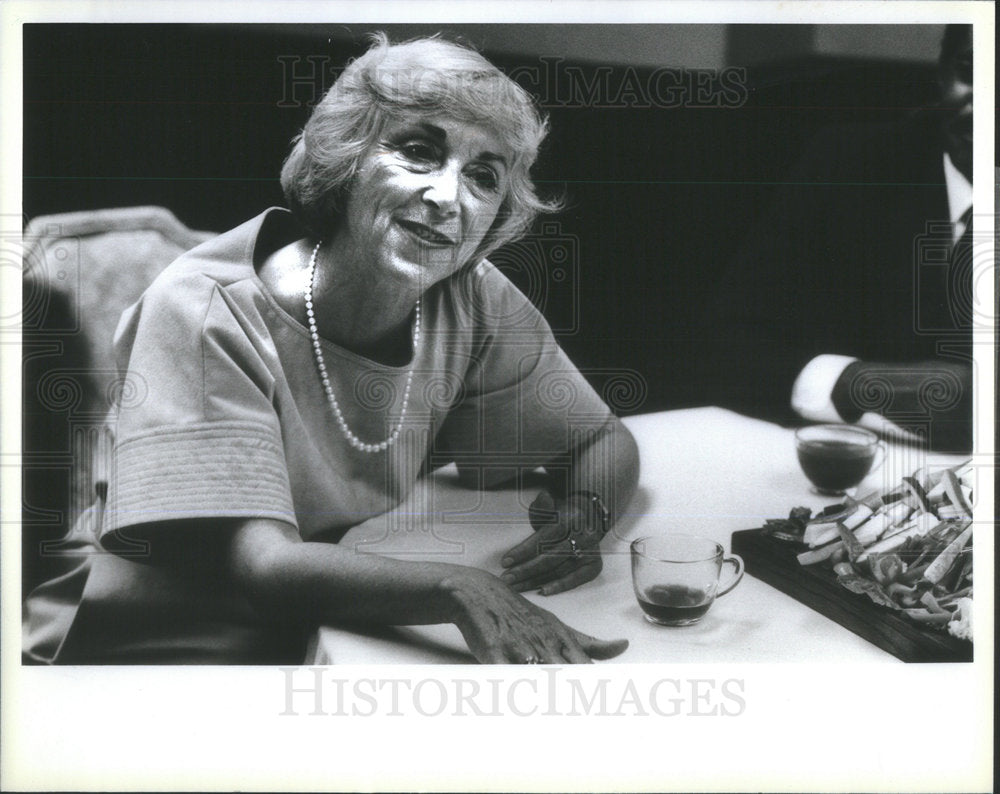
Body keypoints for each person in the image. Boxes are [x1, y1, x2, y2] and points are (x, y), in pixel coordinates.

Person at [22, 34, 639, 665]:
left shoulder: (471, 297)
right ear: (347, 158)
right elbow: (262, 567)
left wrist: (585, 516)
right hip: (140, 647)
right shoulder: (202, 307)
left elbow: (600, 441)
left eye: (483, 176)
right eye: (419, 152)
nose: (448, 197)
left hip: (337, 626)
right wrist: (459, 587)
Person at [695, 25, 975, 453]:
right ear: (939, 74)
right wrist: (853, 384)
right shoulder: (850, 164)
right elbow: (726, 346)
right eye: (970, 70)